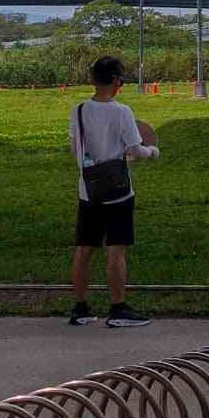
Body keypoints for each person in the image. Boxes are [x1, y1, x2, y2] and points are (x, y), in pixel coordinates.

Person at [68, 54, 159, 328]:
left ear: (95, 79)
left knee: (84, 249)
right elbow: (135, 150)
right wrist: (152, 151)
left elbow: (76, 149)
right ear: (117, 81)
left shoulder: (79, 110)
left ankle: (80, 308)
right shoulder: (122, 112)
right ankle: (118, 308)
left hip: (88, 190)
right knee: (115, 250)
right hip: (118, 192)